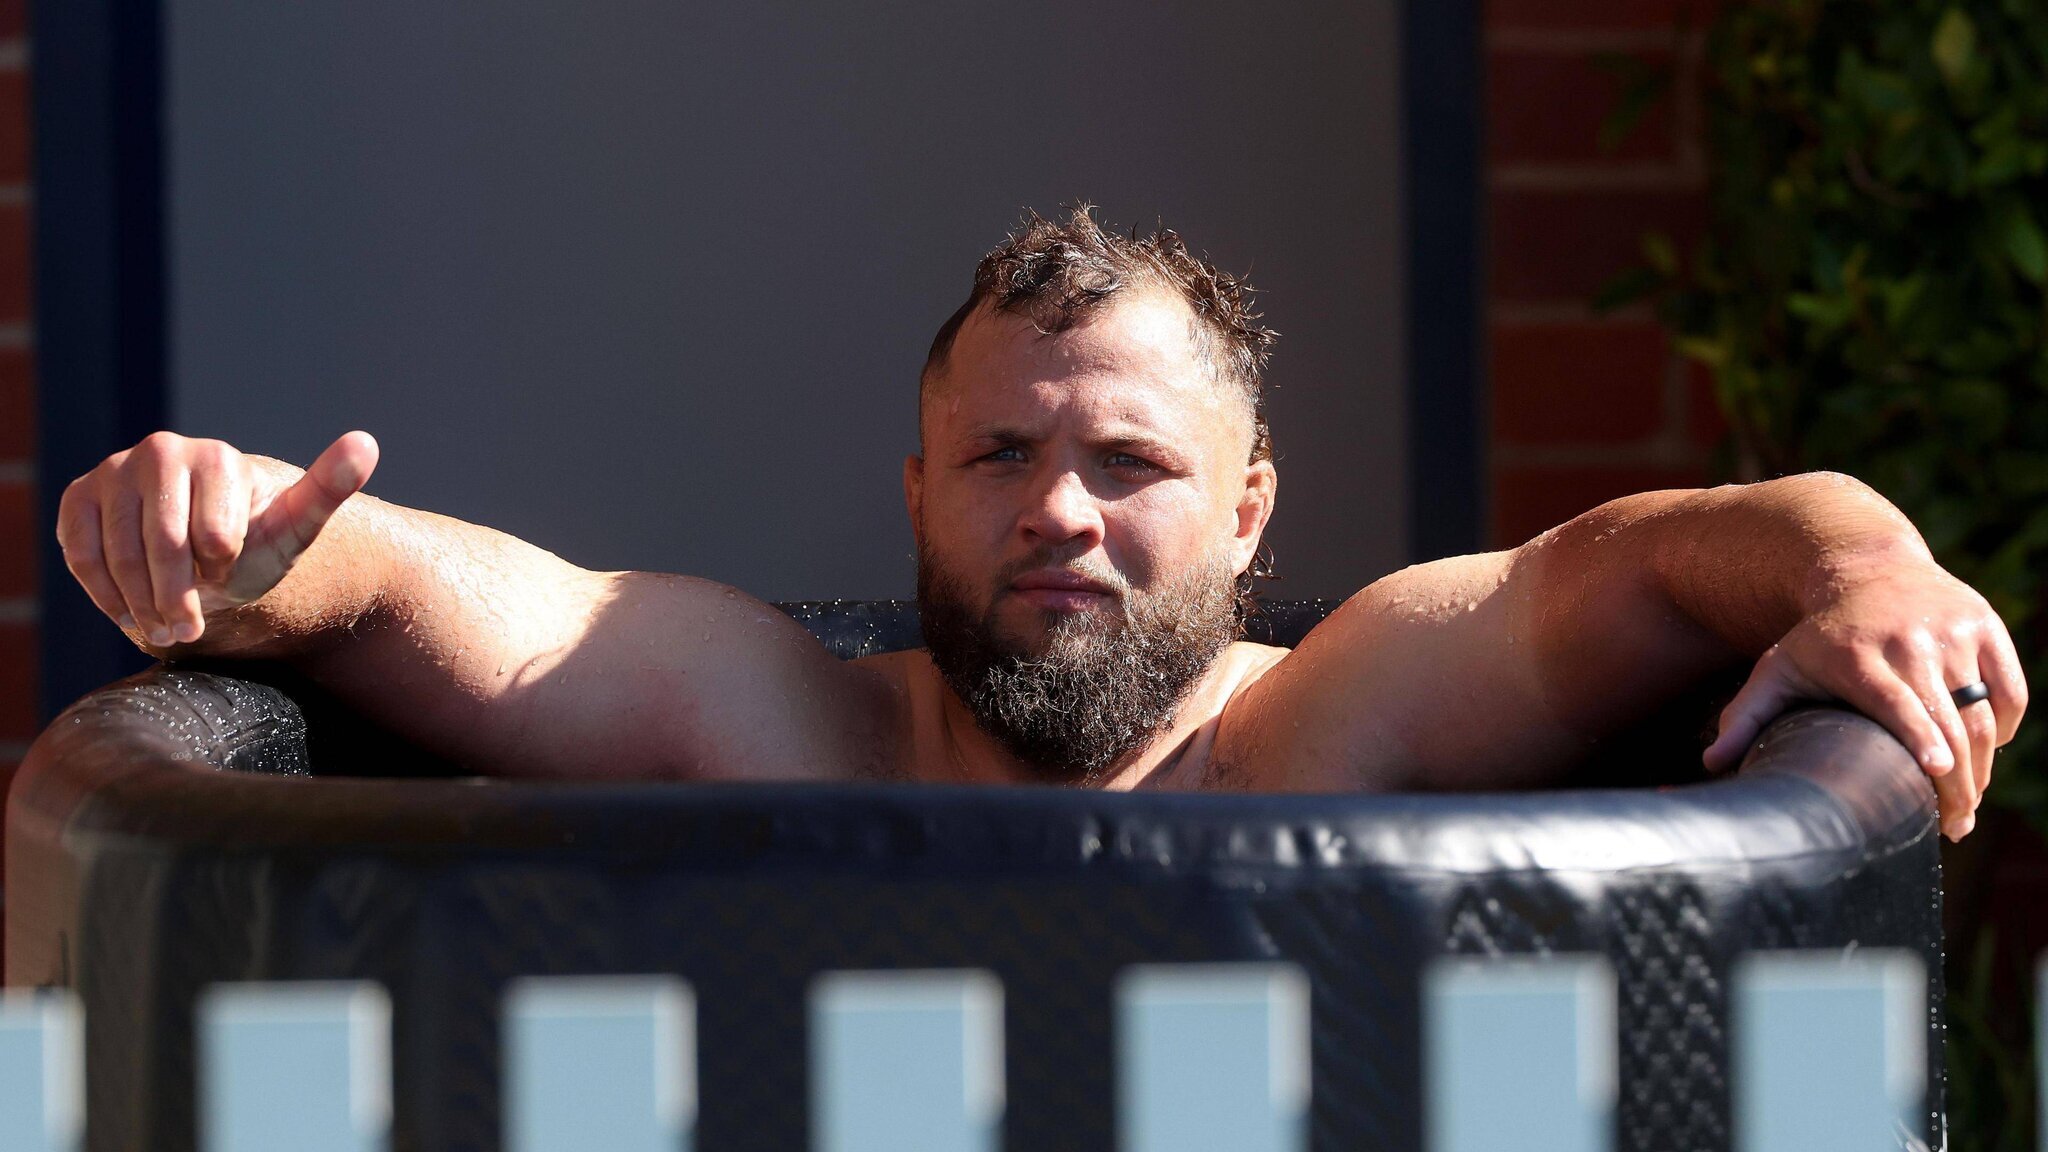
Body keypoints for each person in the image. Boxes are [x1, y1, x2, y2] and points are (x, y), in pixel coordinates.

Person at [55, 207, 2025, 840]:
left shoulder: (1333, 720)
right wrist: (246, 543)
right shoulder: (793, 728)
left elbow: (1656, 550)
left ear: (1252, 511)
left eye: (1130, 466)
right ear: (915, 492)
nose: (1056, 511)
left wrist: (1865, 571)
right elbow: (505, 613)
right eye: (997, 459)